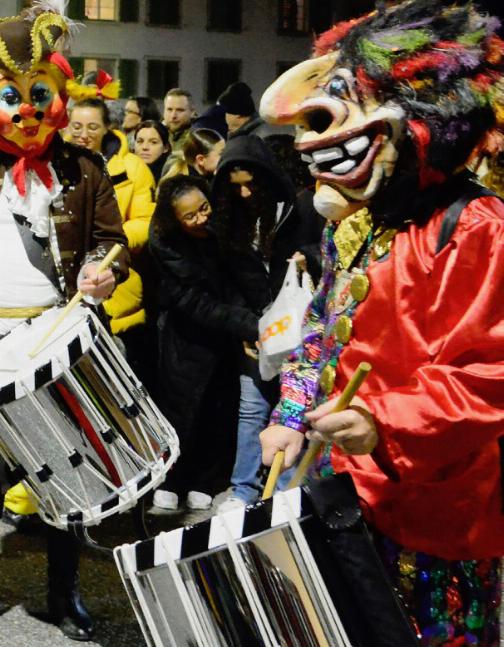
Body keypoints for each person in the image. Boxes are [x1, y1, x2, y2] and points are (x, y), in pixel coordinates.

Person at [259, 2, 503, 642]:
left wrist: (382, 421)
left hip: (432, 513)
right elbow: (320, 331)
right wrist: (289, 416)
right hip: (342, 490)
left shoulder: (478, 229)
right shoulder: (356, 223)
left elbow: (487, 376)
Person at [0, 6, 128, 640]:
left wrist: (103, 272)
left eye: (40, 95)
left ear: (58, 98)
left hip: (56, 339)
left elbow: (111, 243)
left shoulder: (85, 168)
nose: (29, 109)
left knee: (65, 468)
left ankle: (64, 591)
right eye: (14, 96)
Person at [211, 133, 324, 510]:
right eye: (235, 187)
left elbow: (328, 250)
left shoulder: (301, 206)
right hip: (255, 329)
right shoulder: (230, 219)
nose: (244, 194)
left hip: (301, 327)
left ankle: (284, 492)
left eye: (251, 185)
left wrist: (308, 257)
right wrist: (249, 328)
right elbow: (228, 280)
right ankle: (243, 490)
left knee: (296, 410)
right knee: (252, 408)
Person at [147, 174, 269, 512]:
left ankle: (204, 480)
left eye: (204, 208)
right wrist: (252, 325)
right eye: (190, 216)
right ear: (174, 220)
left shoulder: (223, 226)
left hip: (228, 333)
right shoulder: (164, 243)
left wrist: (260, 318)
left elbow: (243, 275)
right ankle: (172, 479)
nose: (201, 218)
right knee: (181, 411)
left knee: (220, 408)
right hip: (187, 338)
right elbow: (194, 302)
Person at [66, 96, 155, 335]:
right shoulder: (56, 165)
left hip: (115, 280)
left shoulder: (133, 167)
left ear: (107, 127)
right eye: (77, 127)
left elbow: (145, 221)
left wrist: (107, 241)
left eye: (93, 127)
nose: (84, 135)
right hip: (66, 284)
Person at [133, 119, 170, 190]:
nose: (145, 147)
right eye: (140, 141)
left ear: (165, 147)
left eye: (153, 142)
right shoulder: (125, 171)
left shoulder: (173, 176)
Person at [162, 88, 195, 154]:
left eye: (180, 110)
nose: (173, 116)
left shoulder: (200, 138)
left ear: (192, 112)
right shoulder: (155, 133)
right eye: (169, 109)